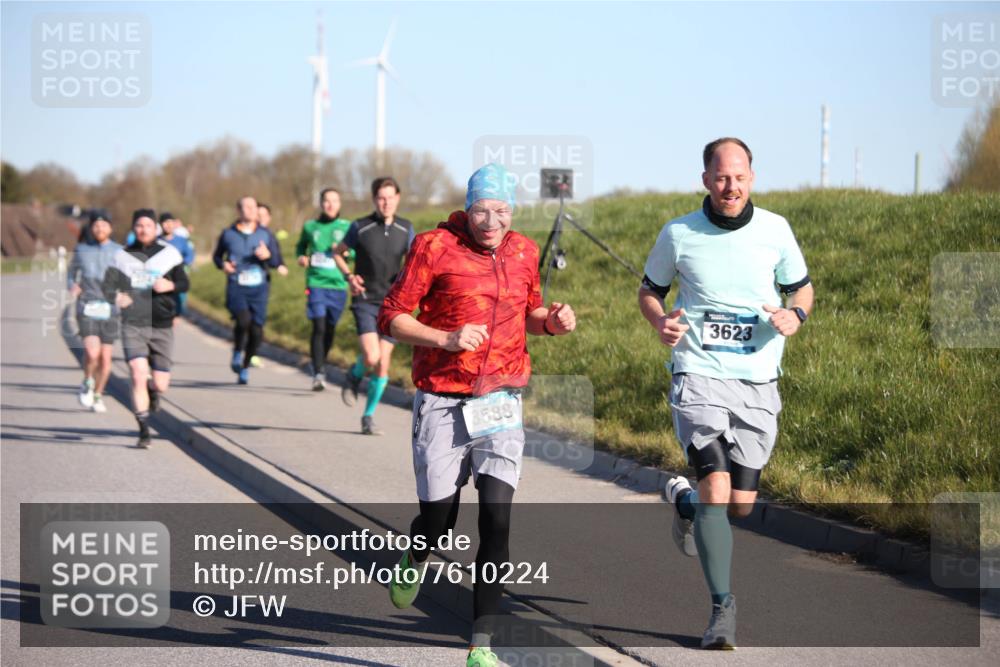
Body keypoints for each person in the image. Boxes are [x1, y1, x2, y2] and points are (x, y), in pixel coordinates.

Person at [377, 163, 577, 667]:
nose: (491, 221)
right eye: (482, 210)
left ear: (513, 211)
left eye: (502, 210)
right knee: (439, 519)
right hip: (443, 398)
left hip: (500, 400)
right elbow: (391, 316)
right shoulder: (433, 246)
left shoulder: (525, 251)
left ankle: (480, 644)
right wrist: (444, 338)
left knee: (496, 518)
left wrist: (551, 322)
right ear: (467, 209)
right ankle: (419, 550)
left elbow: (529, 311)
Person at [638, 138, 814, 650]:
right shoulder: (679, 235)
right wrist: (661, 322)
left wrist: (794, 315)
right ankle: (722, 609)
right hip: (698, 373)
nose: (730, 186)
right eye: (720, 177)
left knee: (739, 505)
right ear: (705, 181)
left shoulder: (776, 231)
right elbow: (650, 290)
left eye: (738, 176)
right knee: (719, 488)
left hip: (757, 380)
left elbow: (801, 287)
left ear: (752, 178)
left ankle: (686, 503)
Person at [332, 177, 414, 435]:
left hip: (392, 304)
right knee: (372, 356)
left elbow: (414, 262)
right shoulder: (360, 227)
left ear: (398, 198)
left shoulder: (405, 228)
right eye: (381, 197)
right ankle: (356, 373)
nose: (386, 202)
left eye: (390, 197)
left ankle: (368, 417)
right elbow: (337, 252)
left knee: (383, 363)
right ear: (374, 200)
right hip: (365, 299)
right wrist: (349, 276)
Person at [102, 209, 189, 448]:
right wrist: (117, 297)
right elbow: (107, 287)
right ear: (134, 228)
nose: (143, 229)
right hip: (134, 323)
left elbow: (184, 283)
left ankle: (154, 392)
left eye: (148, 225)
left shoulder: (168, 255)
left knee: (160, 383)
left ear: (155, 228)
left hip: (161, 322)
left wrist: (169, 284)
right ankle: (143, 430)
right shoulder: (122, 258)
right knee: (138, 373)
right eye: (139, 225)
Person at [212, 196, 284, 384]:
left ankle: (244, 365)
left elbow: (276, 260)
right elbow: (217, 257)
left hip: (259, 287)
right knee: (243, 321)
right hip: (237, 285)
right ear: (238, 210)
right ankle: (237, 351)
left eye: (253, 207)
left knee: (257, 331)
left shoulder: (265, 234)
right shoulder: (228, 233)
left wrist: (268, 255)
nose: (250, 210)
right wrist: (224, 265)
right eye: (245, 207)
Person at [295, 188, 353, 391]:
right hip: (316, 283)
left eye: (334, 201)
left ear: (340, 204)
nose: (330, 205)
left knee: (329, 328)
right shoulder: (311, 226)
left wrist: (345, 252)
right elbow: (300, 247)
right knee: (318, 326)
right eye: (326, 201)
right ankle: (318, 371)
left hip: (338, 285)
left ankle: (320, 362)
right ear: (321, 203)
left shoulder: (347, 227)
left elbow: (354, 253)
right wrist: (301, 257)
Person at [67, 209, 122, 413]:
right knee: (92, 352)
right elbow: (71, 273)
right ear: (91, 228)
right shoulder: (81, 250)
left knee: (106, 360)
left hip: (110, 309)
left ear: (110, 228)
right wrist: (73, 285)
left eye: (104, 225)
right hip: (87, 306)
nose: (100, 228)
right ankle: (87, 380)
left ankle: (98, 395)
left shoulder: (119, 251)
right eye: (96, 225)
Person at [159, 212, 195, 315]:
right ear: (161, 224)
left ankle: (178, 314)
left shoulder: (182, 240)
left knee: (179, 296)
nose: (168, 225)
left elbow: (190, 254)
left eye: (170, 222)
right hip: (161, 275)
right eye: (165, 222)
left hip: (178, 273)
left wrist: (184, 265)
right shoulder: (156, 240)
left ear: (174, 224)